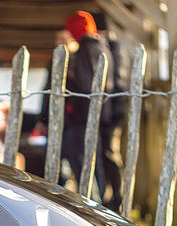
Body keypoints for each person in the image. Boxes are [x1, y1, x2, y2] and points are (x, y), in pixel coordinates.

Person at [62, 11, 125, 211]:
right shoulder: (101, 47)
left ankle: (98, 204)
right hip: (98, 115)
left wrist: (75, 105)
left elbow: (88, 86)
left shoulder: (88, 49)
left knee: (89, 160)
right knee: (96, 159)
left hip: (88, 117)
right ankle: (104, 201)